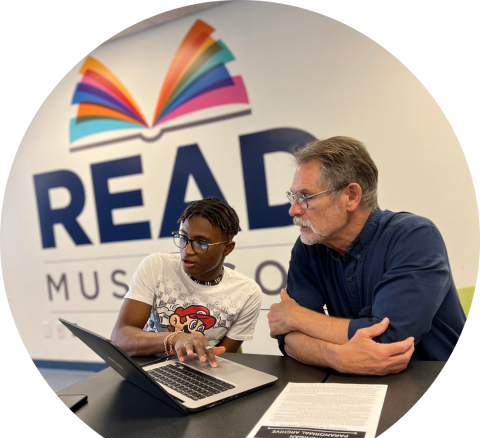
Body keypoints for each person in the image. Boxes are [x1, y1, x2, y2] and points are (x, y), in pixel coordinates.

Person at [268, 136, 465, 375]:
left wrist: (297, 317)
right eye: (293, 197)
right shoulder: (308, 247)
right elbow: (287, 338)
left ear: (351, 196)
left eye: (306, 197)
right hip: (353, 389)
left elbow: (387, 341)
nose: (293, 209)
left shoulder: (414, 236)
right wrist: (335, 356)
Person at [111, 198, 262, 367]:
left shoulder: (247, 293)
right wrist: (174, 338)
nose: (187, 250)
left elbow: (220, 361)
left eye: (201, 243)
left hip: (200, 375)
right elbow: (120, 337)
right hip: (149, 371)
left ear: (227, 248)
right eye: (183, 238)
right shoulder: (156, 266)